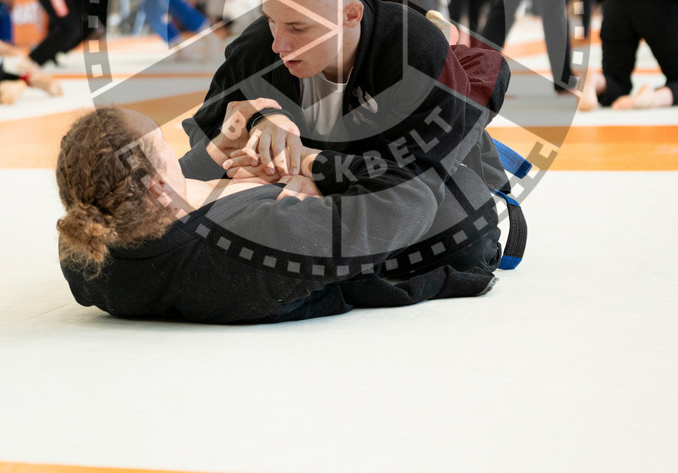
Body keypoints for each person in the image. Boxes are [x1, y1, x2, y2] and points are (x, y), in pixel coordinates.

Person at [181, 0, 516, 278]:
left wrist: (316, 173)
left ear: (351, 15)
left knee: (466, 235)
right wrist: (257, 120)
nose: (279, 43)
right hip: (331, 186)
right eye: (271, 19)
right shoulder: (257, 49)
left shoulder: (413, 52)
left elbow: (413, 191)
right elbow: (201, 145)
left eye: (298, 27)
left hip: (399, 172)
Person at [57, 104, 503, 325]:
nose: (176, 154)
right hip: (418, 222)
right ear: (158, 187)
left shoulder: (86, 250)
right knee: (466, 123)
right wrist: (313, 167)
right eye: (163, 147)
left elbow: (157, 187)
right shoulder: (257, 240)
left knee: (252, 105)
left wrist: (217, 152)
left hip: (283, 227)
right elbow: (408, 200)